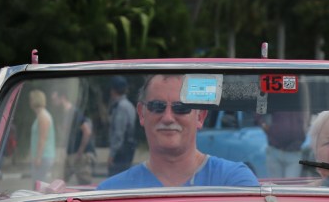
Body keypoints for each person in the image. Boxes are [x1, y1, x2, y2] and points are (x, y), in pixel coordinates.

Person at [98, 74, 259, 189]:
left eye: (181, 108)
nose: (168, 118)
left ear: (200, 116)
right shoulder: (113, 192)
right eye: (157, 106)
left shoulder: (235, 182)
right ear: (141, 113)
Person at [50, 86, 96, 185]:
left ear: (62, 97)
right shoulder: (65, 113)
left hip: (79, 155)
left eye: (55, 99)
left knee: (85, 183)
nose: (53, 103)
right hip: (71, 153)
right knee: (60, 181)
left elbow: (87, 131)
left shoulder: (74, 113)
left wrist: (80, 151)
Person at [257, 111, 307, 178]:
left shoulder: (300, 101)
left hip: (295, 151)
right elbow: (259, 110)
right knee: (275, 186)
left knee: (292, 186)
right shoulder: (275, 100)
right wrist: (266, 127)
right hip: (275, 150)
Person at [107, 76, 137, 175]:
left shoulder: (121, 107)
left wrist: (112, 155)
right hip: (128, 149)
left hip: (121, 152)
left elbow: (119, 133)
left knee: (115, 181)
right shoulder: (129, 105)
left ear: (113, 90)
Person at [28, 89, 55, 184]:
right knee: (39, 183)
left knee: (38, 185)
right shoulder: (42, 115)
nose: (29, 102)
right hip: (43, 156)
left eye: (31, 99)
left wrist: (38, 157)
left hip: (43, 156)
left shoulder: (43, 116)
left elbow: (42, 139)